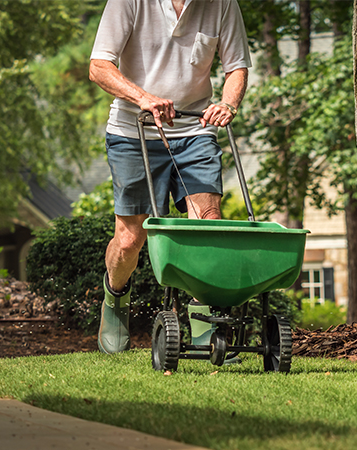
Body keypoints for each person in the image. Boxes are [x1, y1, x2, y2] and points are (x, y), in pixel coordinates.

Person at [89, 0, 251, 354]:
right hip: (134, 131)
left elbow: (236, 66)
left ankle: (204, 321)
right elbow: (99, 67)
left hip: (196, 129)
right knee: (130, 238)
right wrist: (143, 97)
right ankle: (115, 297)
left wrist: (228, 104)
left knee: (206, 225)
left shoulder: (222, 4)